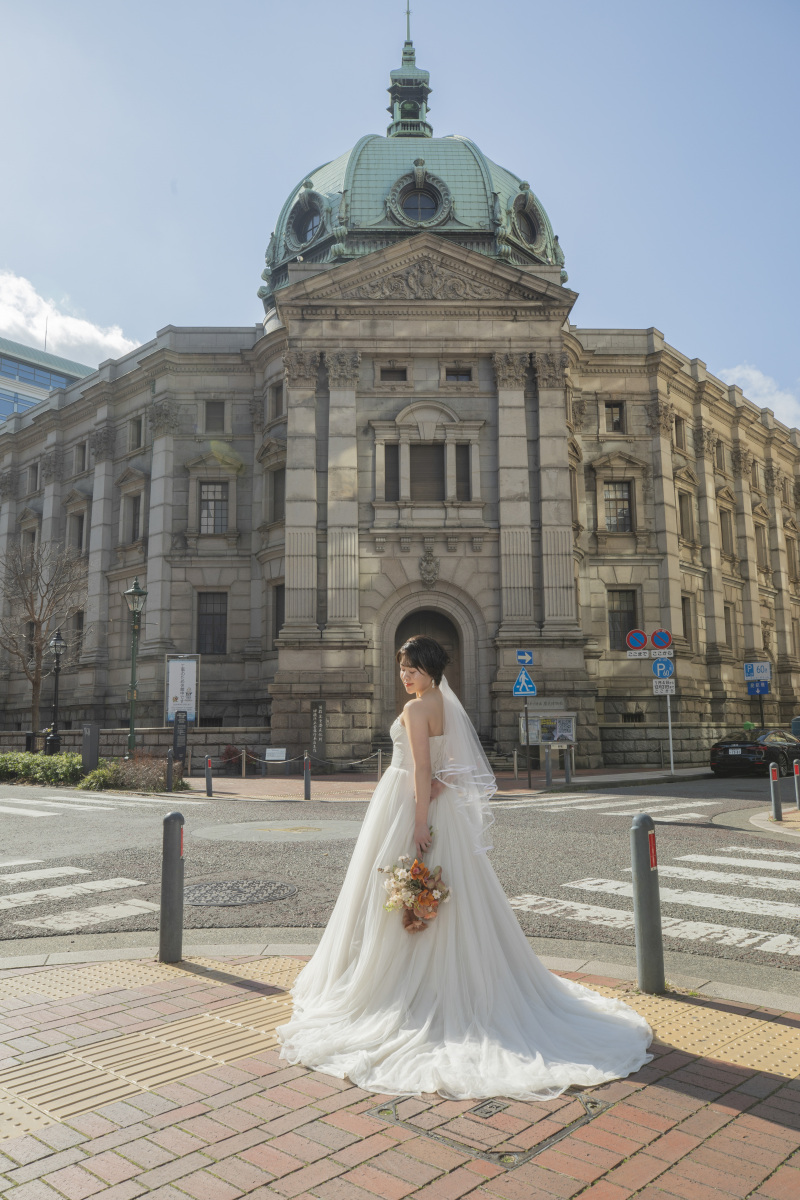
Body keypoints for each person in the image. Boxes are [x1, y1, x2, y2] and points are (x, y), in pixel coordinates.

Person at [277, 635, 652, 1101]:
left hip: (407, 807)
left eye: (412, 667)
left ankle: (400, 988)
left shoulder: (417, 709)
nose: (405, 675)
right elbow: (455, 765)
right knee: (450, 890)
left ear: (431, 667)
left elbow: (418, 768)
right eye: (402, 668)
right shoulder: (445, 705)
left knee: (406, 884)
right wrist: (439, 787)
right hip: (441, 807)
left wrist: (418, 821)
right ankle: (439, 978)